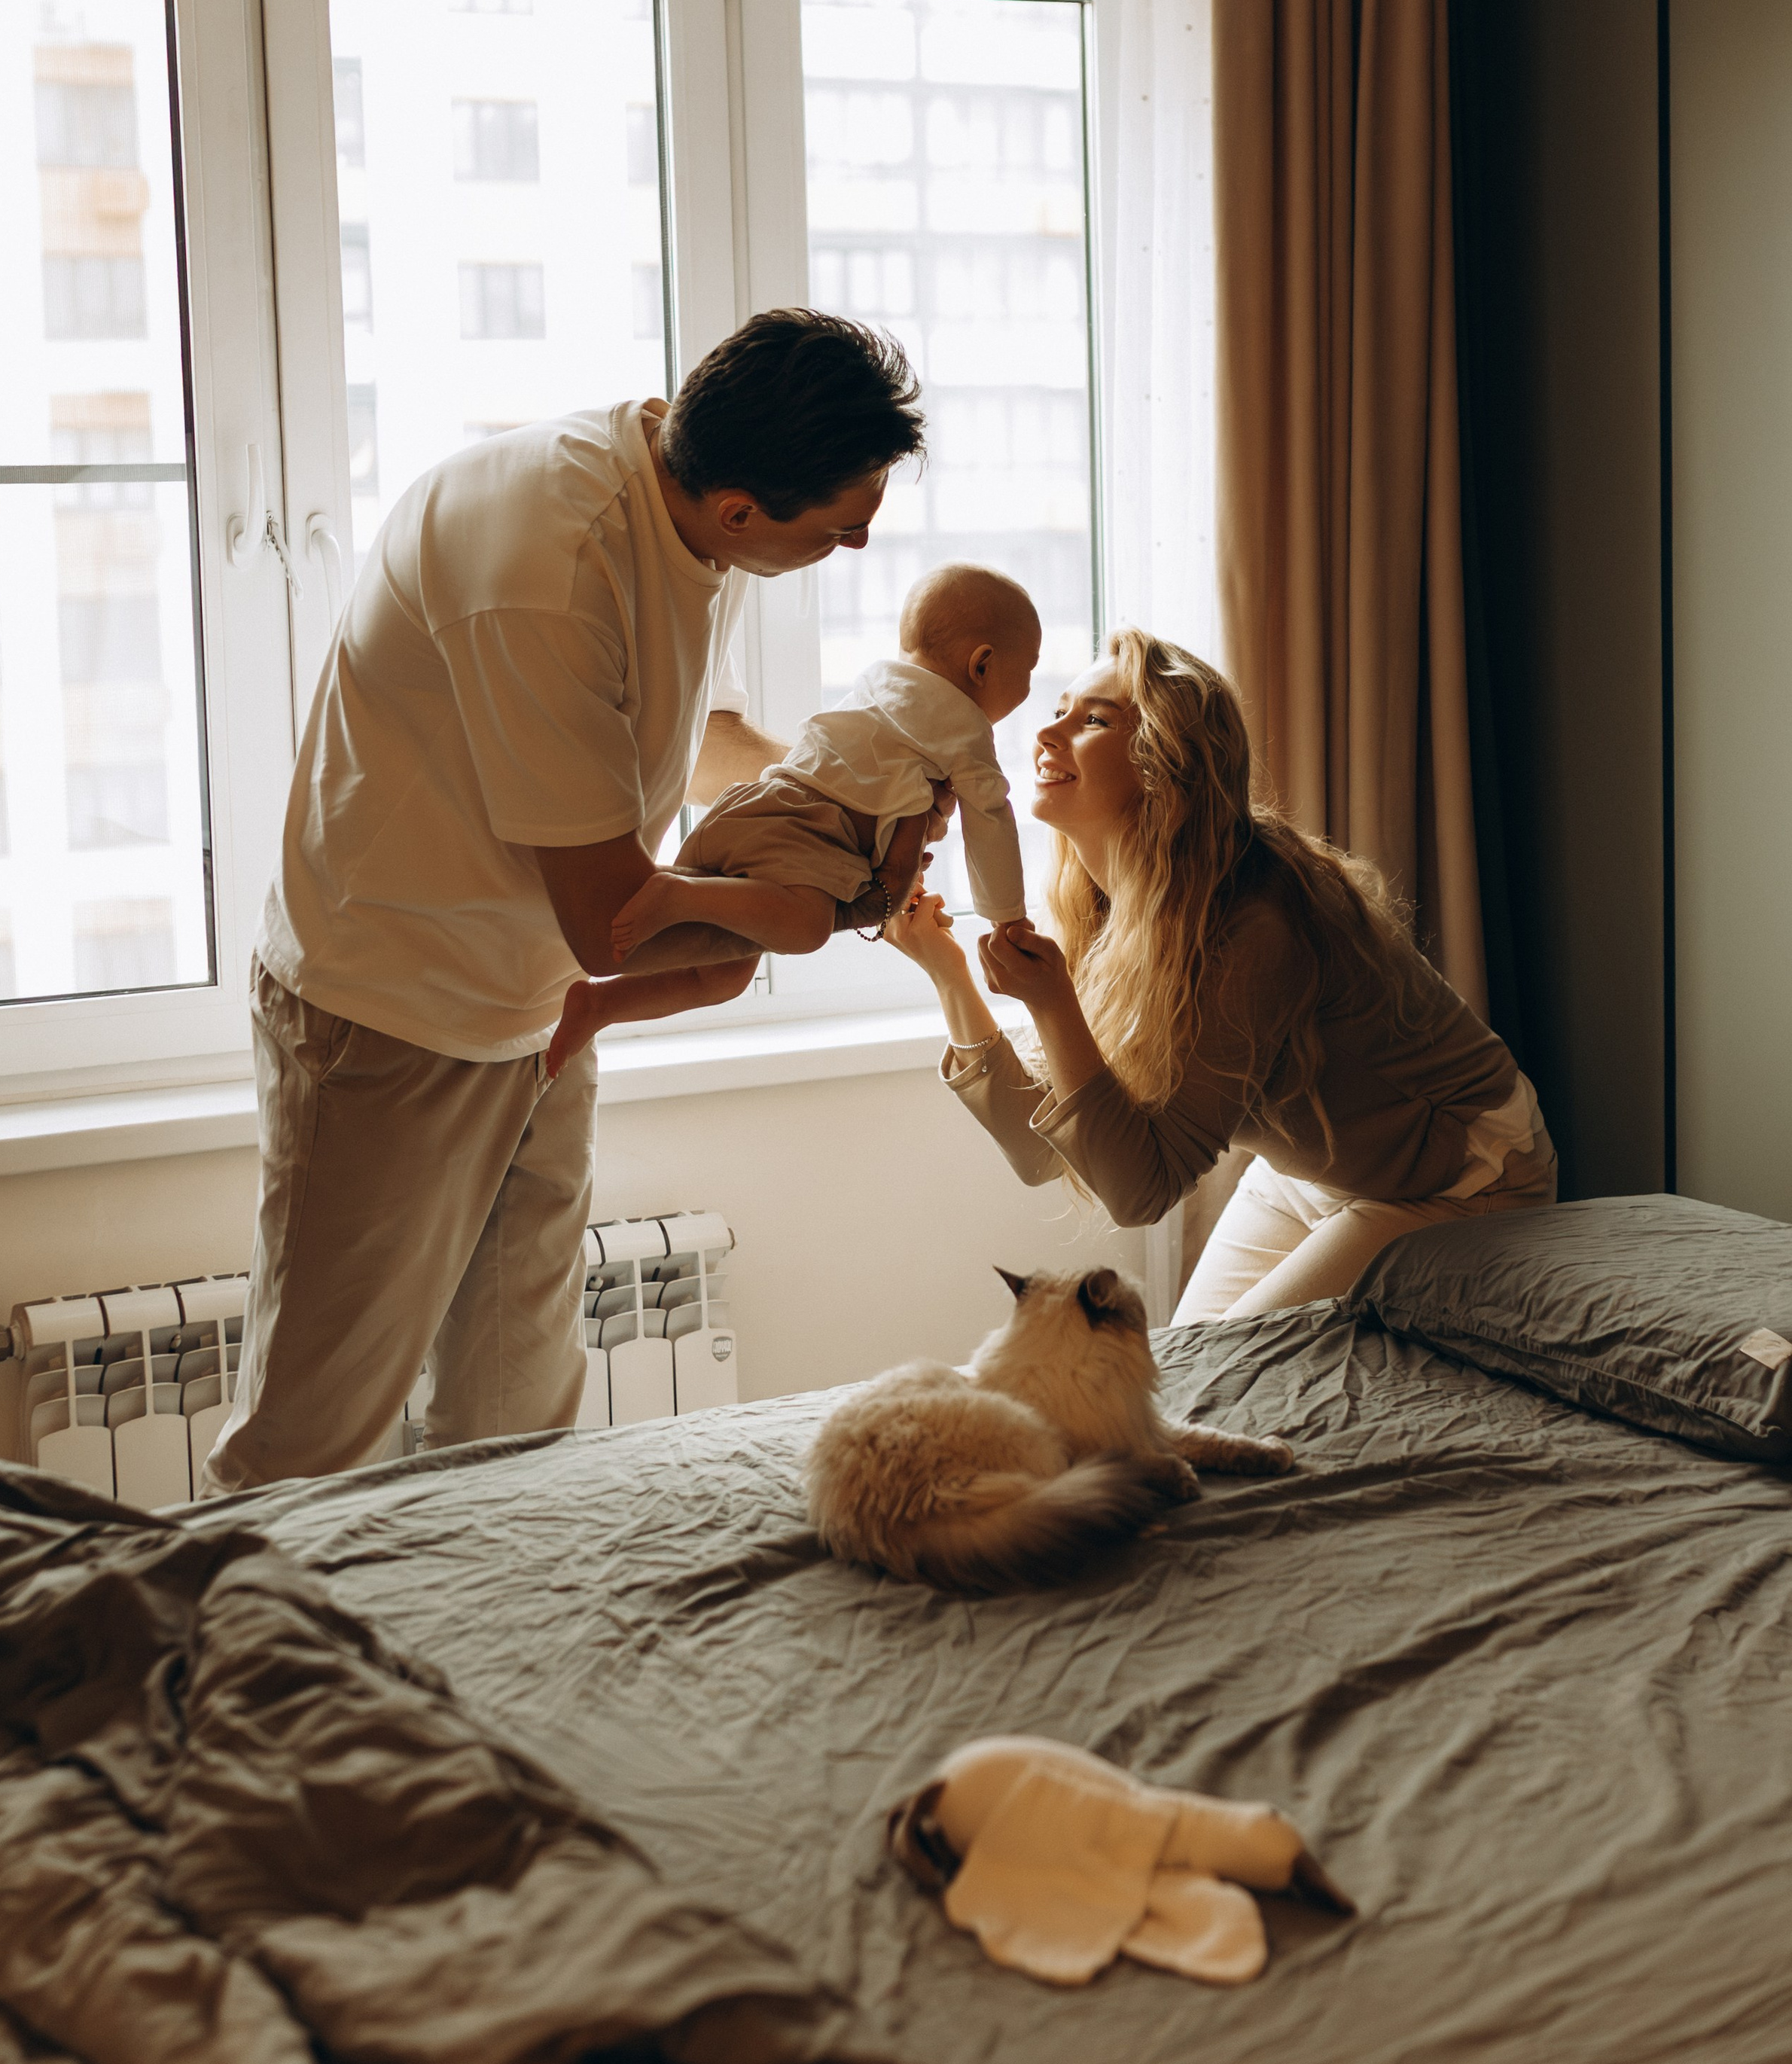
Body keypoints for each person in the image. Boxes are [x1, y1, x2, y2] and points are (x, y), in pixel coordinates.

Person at [200, 309, 930, 1494]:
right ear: (744, 509)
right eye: (841, 534)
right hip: (391, 1009)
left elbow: (705, 745)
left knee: (514, 1418)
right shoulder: (548, 562)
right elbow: (615, 916)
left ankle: (489, 1668)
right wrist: (838, 902)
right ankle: (219, 1666)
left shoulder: (687, 502)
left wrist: (856, 806)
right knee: (307, 1439)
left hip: (535, 999)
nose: (849, 552)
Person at [886, 628, 1556, 1319]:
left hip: (1462, 1173)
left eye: (1091, 719)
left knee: (1229, 1375)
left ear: (1164, 764)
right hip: (1316, 1170)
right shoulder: (1107, 902)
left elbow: (1142, 1191)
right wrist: (950, 975)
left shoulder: (1259, 926)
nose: (1047, 733)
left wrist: (1055, 1004)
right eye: (1059, 708)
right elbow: (1039, 1152)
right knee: (1186, 1372)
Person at [543, 561, 1040, 1076]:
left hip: (755, 811)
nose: (1028, 691)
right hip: (801, 833)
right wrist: (1007, 913)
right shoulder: (963, 727)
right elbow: (990, 817)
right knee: (807, 927)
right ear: (981, 665)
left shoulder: (880, 684)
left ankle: (598, 1004)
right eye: (1028, 671)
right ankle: (674, 894)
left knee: (723, 976)